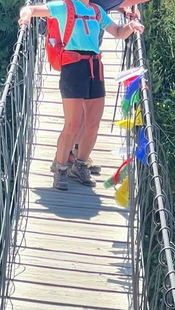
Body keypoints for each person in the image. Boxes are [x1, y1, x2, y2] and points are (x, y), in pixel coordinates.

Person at [19, 1, 144, 191]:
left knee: (92, 125)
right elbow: (32, 9)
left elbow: (118, 32)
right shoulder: (64, 6)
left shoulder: (96, 10)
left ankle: (80, 164)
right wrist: (26, 15)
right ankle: (60, 169)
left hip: (95, 67)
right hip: (73, 67)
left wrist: (131, 26)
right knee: (72, 124)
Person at [70, 0, 152, 175]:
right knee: (81, 113)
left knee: (85, 113)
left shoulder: (99, 7)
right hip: (76, 56)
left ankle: (75, 155)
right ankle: (70, 157)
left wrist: (123, 9)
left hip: (87, 56)